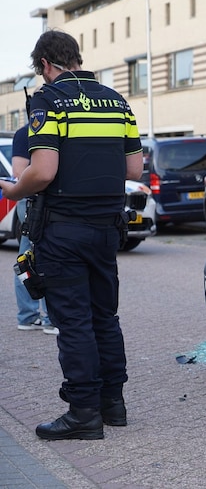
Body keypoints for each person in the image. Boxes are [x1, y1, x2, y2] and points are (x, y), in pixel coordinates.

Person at [0, 30, 143, 441]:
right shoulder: (116, 101)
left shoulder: (49, 100)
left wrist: (14, 190)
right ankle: (113, 405)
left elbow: (42, 171)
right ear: (76, 58)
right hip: (106, 229)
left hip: (63, 229)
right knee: (105, 317)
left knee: (74, 322)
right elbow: (133, 171)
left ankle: (83, 414)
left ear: (45, 65)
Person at [12, 124, 56, 335]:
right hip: (36, 203)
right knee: (47, 256)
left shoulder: (24, 132)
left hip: (32, 201)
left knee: (26, 257)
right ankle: (48, 318)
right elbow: (19, 172)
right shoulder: (27, 132)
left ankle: (28, 317)